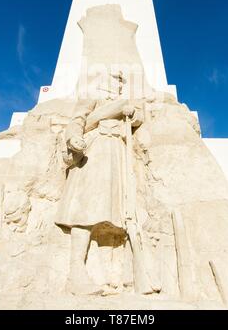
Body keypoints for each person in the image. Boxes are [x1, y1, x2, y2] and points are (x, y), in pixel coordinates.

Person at [55, 72, 143, 295]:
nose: (118, 85)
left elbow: (137, 118)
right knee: (86, 210)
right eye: (115, 81)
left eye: (120, 83)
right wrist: (73, 137)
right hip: (97, 149)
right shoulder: (93, 98)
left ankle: (110, 276)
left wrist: (132, 114)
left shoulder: (124, 102)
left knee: (113, 214)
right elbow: (78, 120)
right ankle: (75, 274)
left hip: (117, 153)